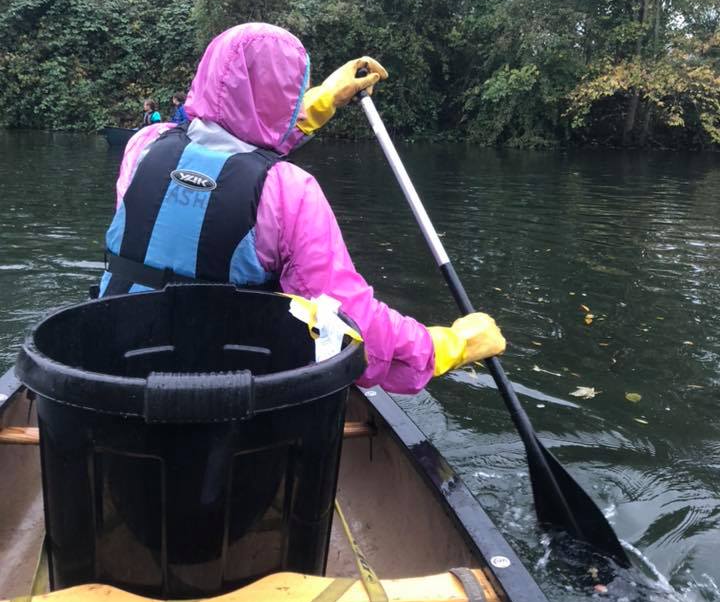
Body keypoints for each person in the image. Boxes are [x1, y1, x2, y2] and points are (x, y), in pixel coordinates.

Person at [99, 23, 505, 393]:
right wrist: (447, 346)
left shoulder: (143, 146)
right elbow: (354, 330)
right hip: (230, 404)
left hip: (113, 373)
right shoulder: (290, 192)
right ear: (285, 98)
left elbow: (221, 142)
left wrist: (322, 102)